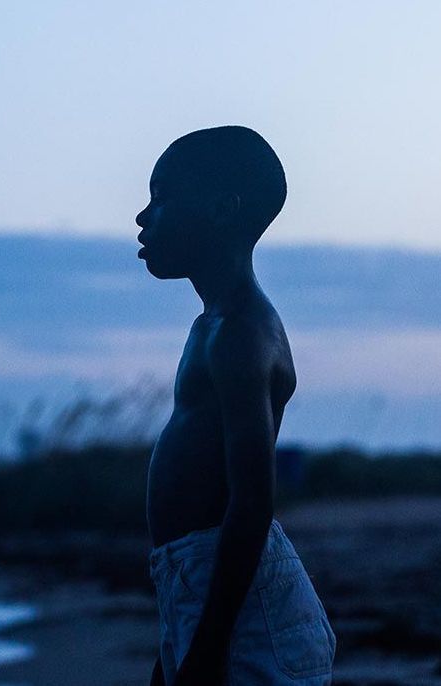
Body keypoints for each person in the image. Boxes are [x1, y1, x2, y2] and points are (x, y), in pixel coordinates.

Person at [135, 125, 336, 686]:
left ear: (222, 210)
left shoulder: (242, 334)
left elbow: (250, 505)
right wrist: (179, 639)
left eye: (162, 197)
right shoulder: (213, 328)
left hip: (247, 609)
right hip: (206, 587)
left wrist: (208, 647)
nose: (142, 217)